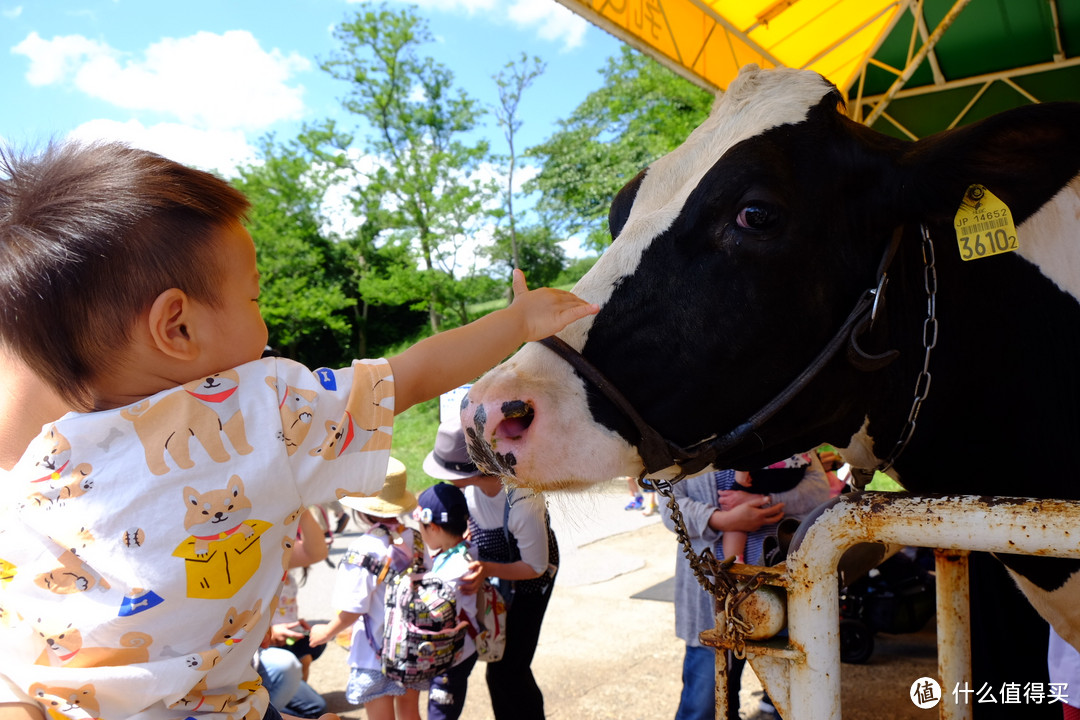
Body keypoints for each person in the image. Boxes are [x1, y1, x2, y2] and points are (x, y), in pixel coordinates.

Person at [0, 140, 597, 720]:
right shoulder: (259, 410)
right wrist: (517, 320)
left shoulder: (38, 461)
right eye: (254, 298)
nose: (265, 324)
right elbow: (411, 375)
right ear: (177, 328)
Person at [659, 453, 831, 720]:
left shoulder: (779, 421)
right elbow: (668, 507)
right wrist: (723, 520)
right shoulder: (678, 432)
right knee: (704, 703)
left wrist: (765, 502)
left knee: (792, 698)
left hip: (777, 589)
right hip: (708, 597)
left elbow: (819, 490)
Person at [423, 419, 557, 720]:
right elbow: (474, 522)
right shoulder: (468, 490)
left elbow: (535, 566)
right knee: (500, 666)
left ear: (475, 470)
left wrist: (484, 568)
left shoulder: (522, 500)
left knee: (509, 669)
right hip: (495, 575)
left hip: (529, 582)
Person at [308, 461, 420, 720]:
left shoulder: (365, 548)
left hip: (375, 653)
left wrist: (325, 632)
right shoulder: (416, 537)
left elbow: (352, 609)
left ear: (363, 509)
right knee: (410, 713)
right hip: (412, 646)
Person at [410, 483, 481, 720]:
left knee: (441, 715)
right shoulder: (468, 550)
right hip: (463, 647)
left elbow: (432, 613)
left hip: (452, 656)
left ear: (433, 527)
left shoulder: (453, 570)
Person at [257, 507, 332, 719]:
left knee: (310, 651)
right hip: (258, 650)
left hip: (278, 640)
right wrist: (269, 630)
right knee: (291, 667)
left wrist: (301, 507)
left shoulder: (273, 554)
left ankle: (284, 698)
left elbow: (316, 552)